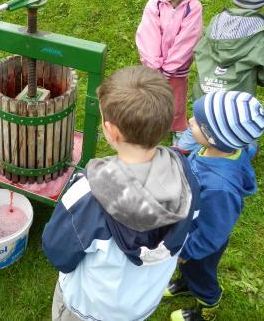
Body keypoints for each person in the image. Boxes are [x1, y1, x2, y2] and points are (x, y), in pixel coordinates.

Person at [42, 66, 200, 321]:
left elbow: (58, 252)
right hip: (139, 307)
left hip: (88, 310)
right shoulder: (187, 177)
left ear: (111, 131)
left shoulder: (86, 197)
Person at [165, 91, 264, 321]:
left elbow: (213, 233)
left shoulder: (221, 188)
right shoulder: (219, 149)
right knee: (189, 270)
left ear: (214, 137)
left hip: (201, 244)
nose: (190, 121)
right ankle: (186, 283)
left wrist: (187, 252)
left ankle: (208, 304)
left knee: (201, 274)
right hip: (191, 228)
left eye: (198, 122)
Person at [176, 0, 264, 153]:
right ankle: (237, 149)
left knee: (194, 134)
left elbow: (200, 52)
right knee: (243, 144)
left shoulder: (216, 22)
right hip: (233, 111)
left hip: (203, 101)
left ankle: (186, 146)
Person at [135, 0, 202, 145]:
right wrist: (154, 65)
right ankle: (150, 124)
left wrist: (170, 68)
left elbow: (187, 40)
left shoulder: (193, 8)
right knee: (150, 96)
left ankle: (177, 128)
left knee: (176, 101)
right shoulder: (154, 3)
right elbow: (148, 33)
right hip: (152, 67)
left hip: (177, 70)